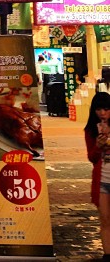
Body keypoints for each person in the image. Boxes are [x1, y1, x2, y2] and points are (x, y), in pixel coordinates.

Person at [85, 91, 110, 261]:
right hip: (102, 181)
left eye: (106, 109)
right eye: (98, 109)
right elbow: (92, 158)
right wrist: (98, 146)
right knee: (105, 220)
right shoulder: (91, 130)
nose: (102, 113)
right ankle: (108, 255)